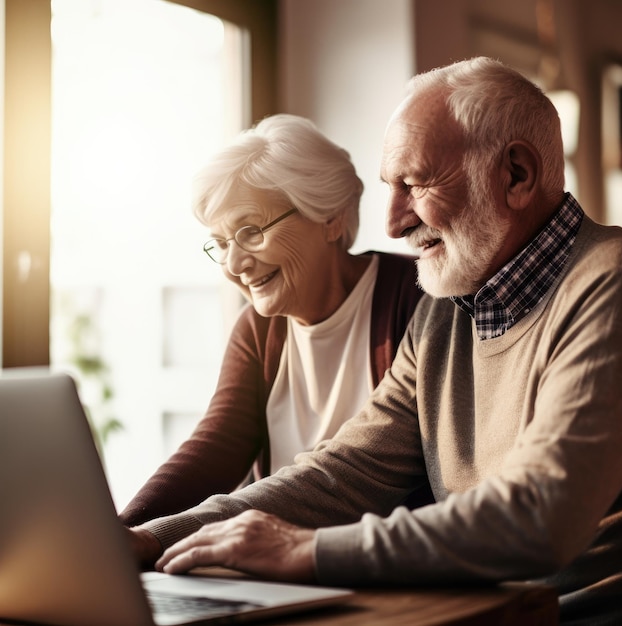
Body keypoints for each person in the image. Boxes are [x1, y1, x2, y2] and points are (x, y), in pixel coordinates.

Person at [129, 58, 622, 624]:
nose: (391, 224)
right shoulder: (445, 314)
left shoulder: (610, 281)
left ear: (515, 175)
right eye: (390, 187)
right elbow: (342, 473)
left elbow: (542, 514)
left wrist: (304, 551)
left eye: (413, 184)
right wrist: (149, 537)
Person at [119, 114, 427, 527]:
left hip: (380, 567)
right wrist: (125, 533)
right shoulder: (258, 330)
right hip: (275, 571)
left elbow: (377, 468)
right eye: (222, 243)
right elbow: (216, 446)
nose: (234, 263)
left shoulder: (416, 297)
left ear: (330, 217)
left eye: (250, 230)